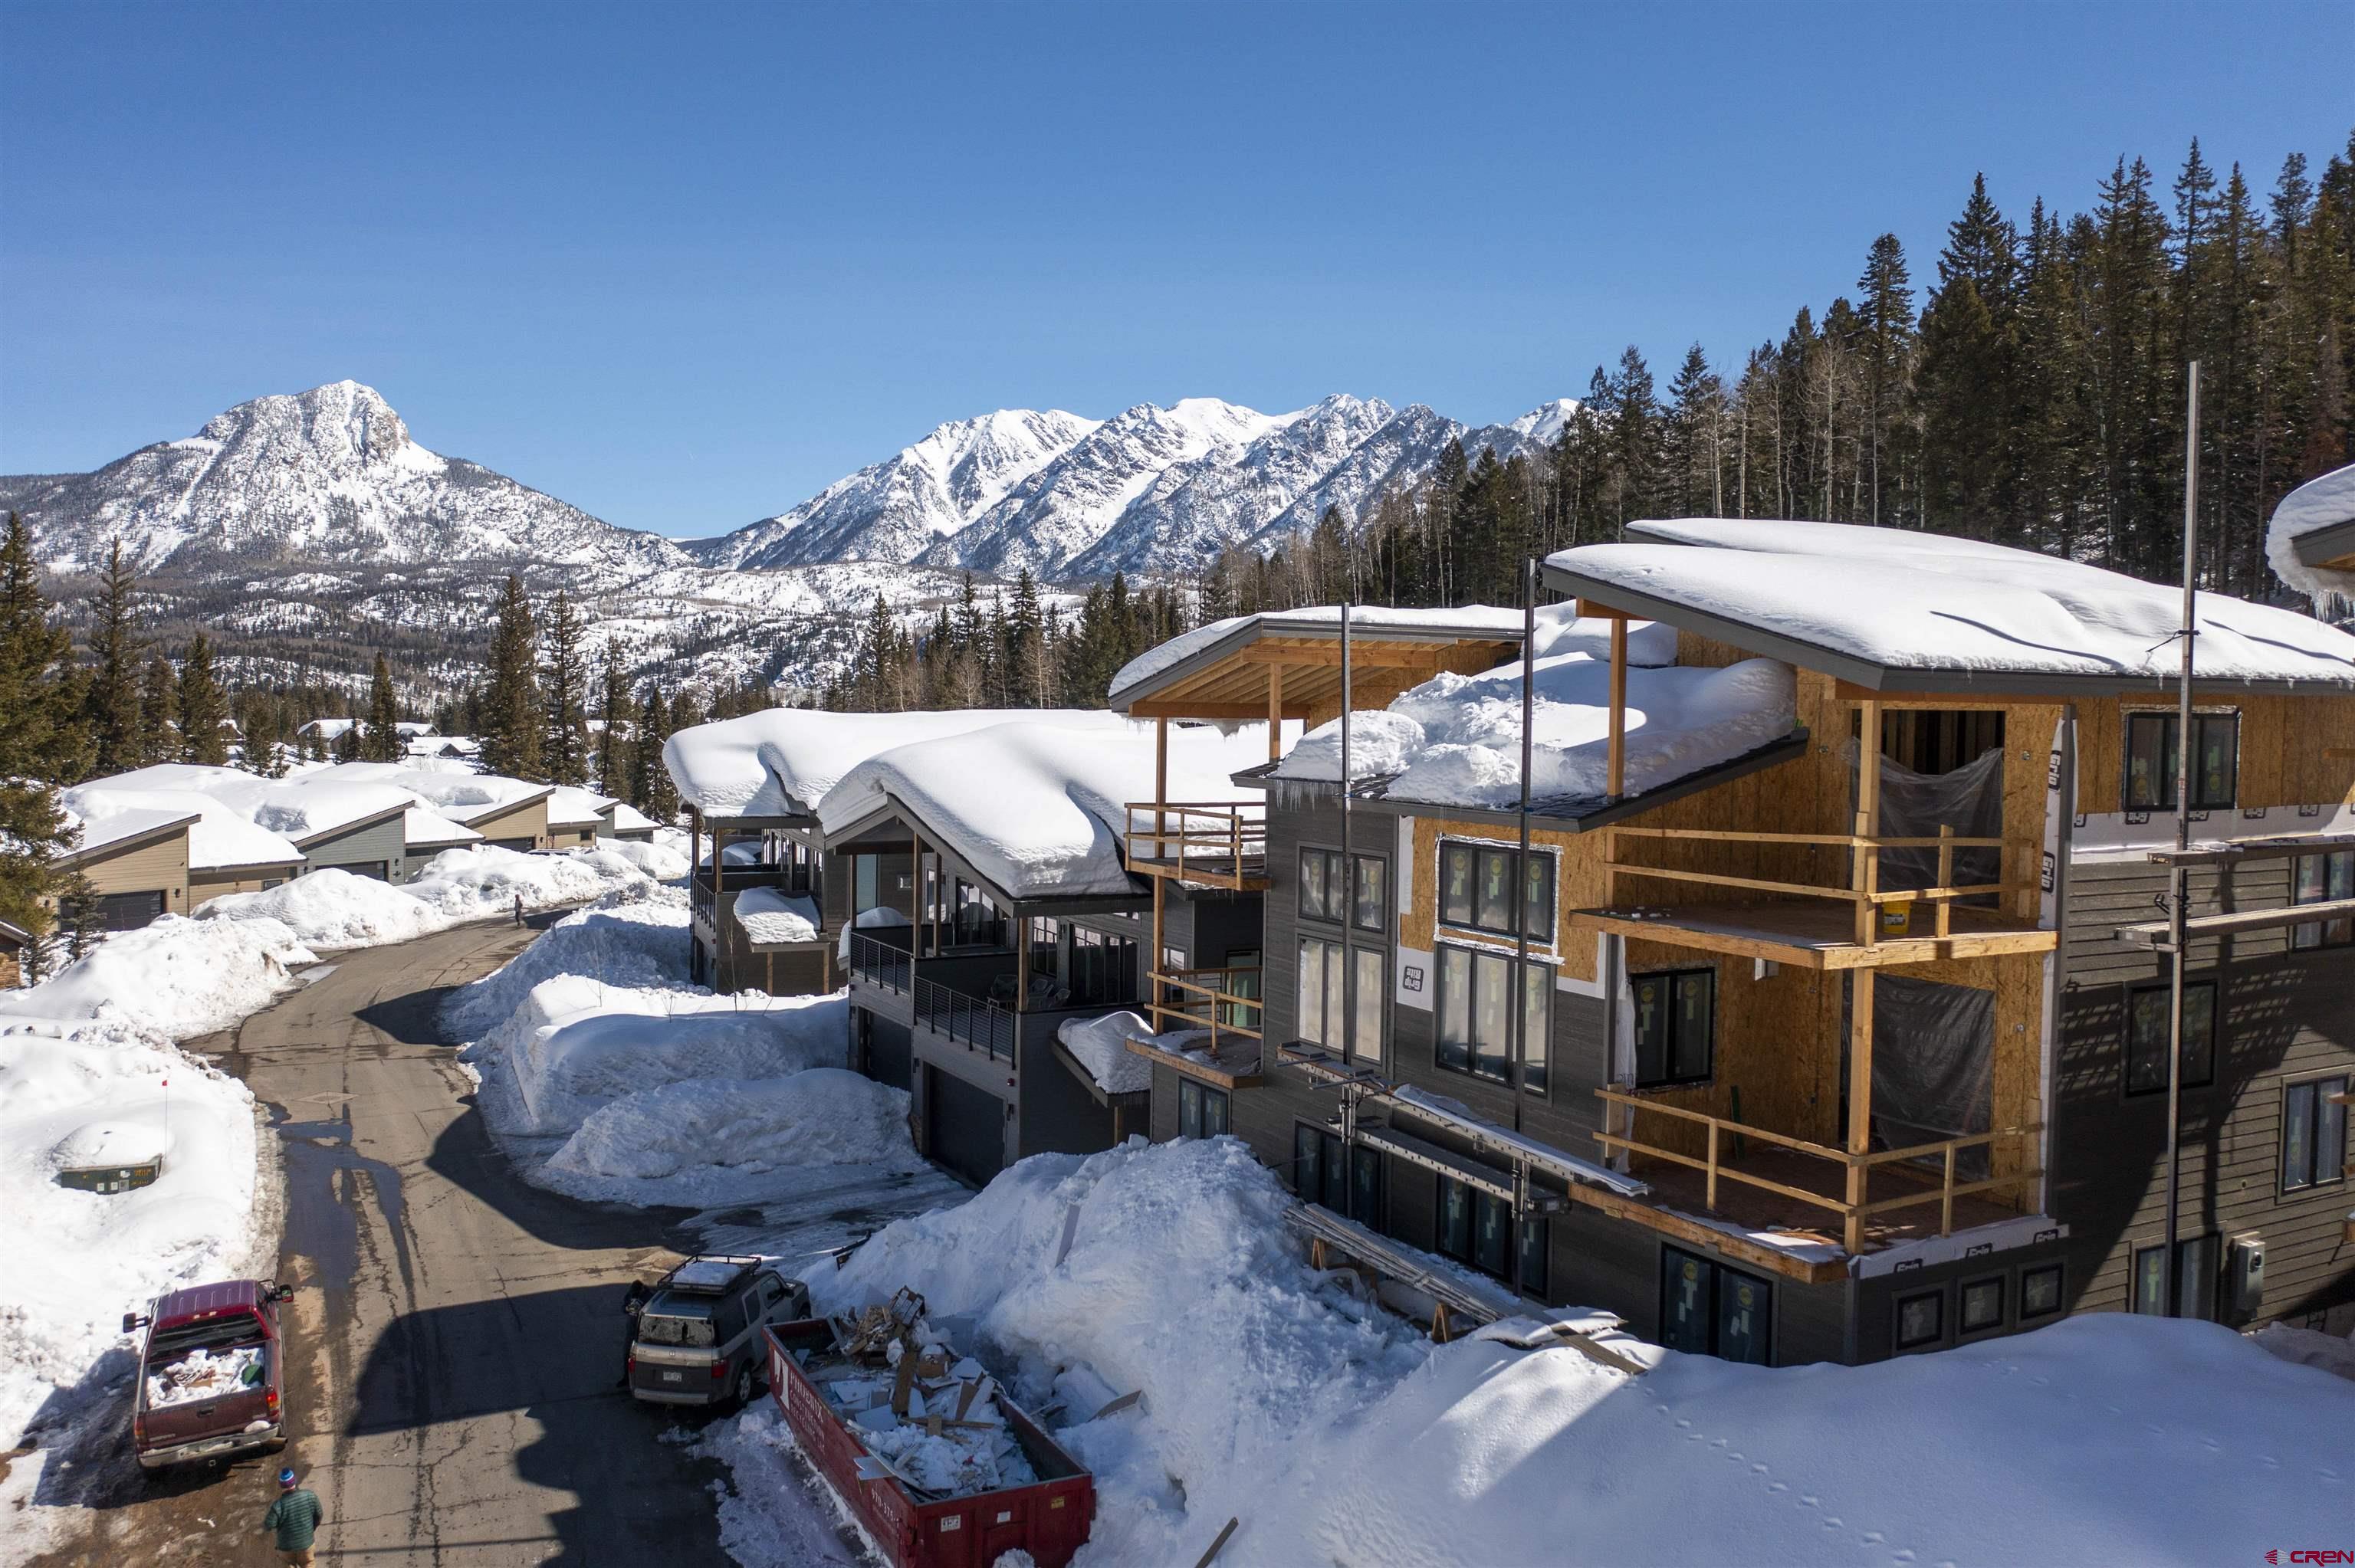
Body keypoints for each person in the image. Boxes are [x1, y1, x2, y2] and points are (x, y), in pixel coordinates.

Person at [259, 1467, 324, 1566]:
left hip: (286, 1548)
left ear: (281, 1485)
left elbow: (268, 1525)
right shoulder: (310, 1496)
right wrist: (312, 1528)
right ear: (294, 1481)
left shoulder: (278, 1505)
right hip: (306, 1545)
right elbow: (319, 1515)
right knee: (309, 1563)